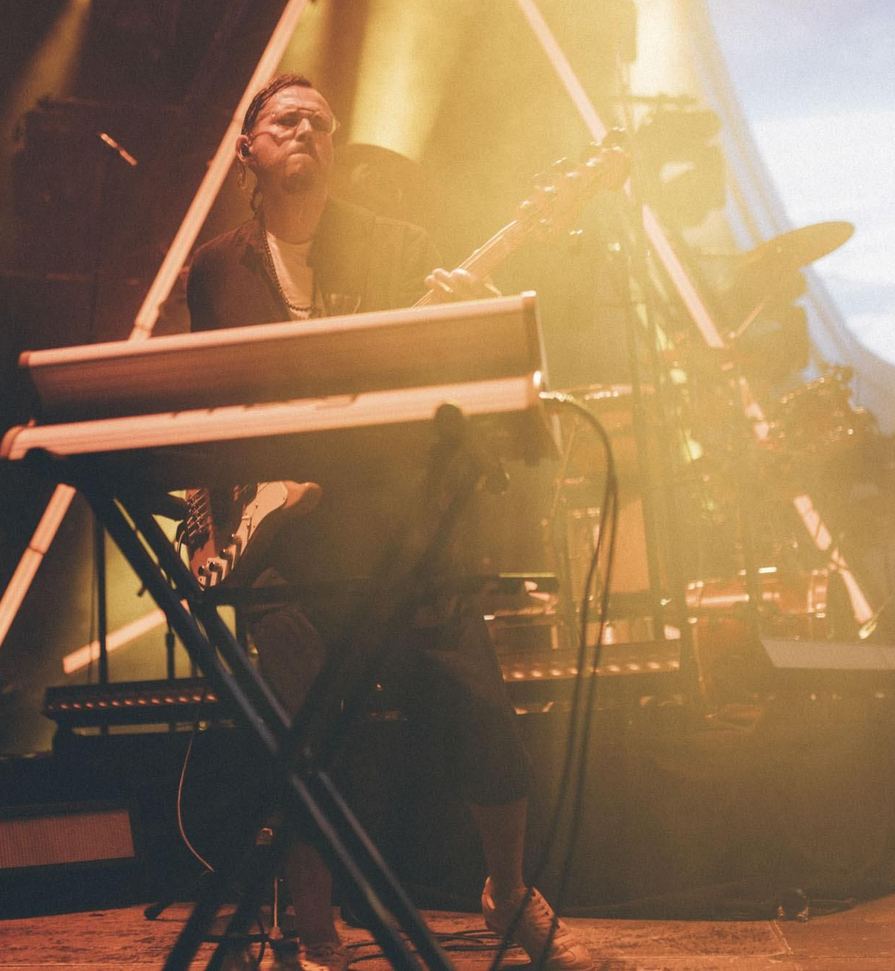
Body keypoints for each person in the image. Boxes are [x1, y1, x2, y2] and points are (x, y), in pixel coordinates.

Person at [179, 74, 596, 971]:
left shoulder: (398, 248)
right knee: (301, 738)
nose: (307, 132)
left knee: (482, 715)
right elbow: (216, 405)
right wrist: (228, 507)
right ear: (247, 147)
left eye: (322, 124)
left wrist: (445, 329)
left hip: (396, 529)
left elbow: (436, 394)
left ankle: (509, 895)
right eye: (286, 120)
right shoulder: (215, 269)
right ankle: (314, 931)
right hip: (287, 541)